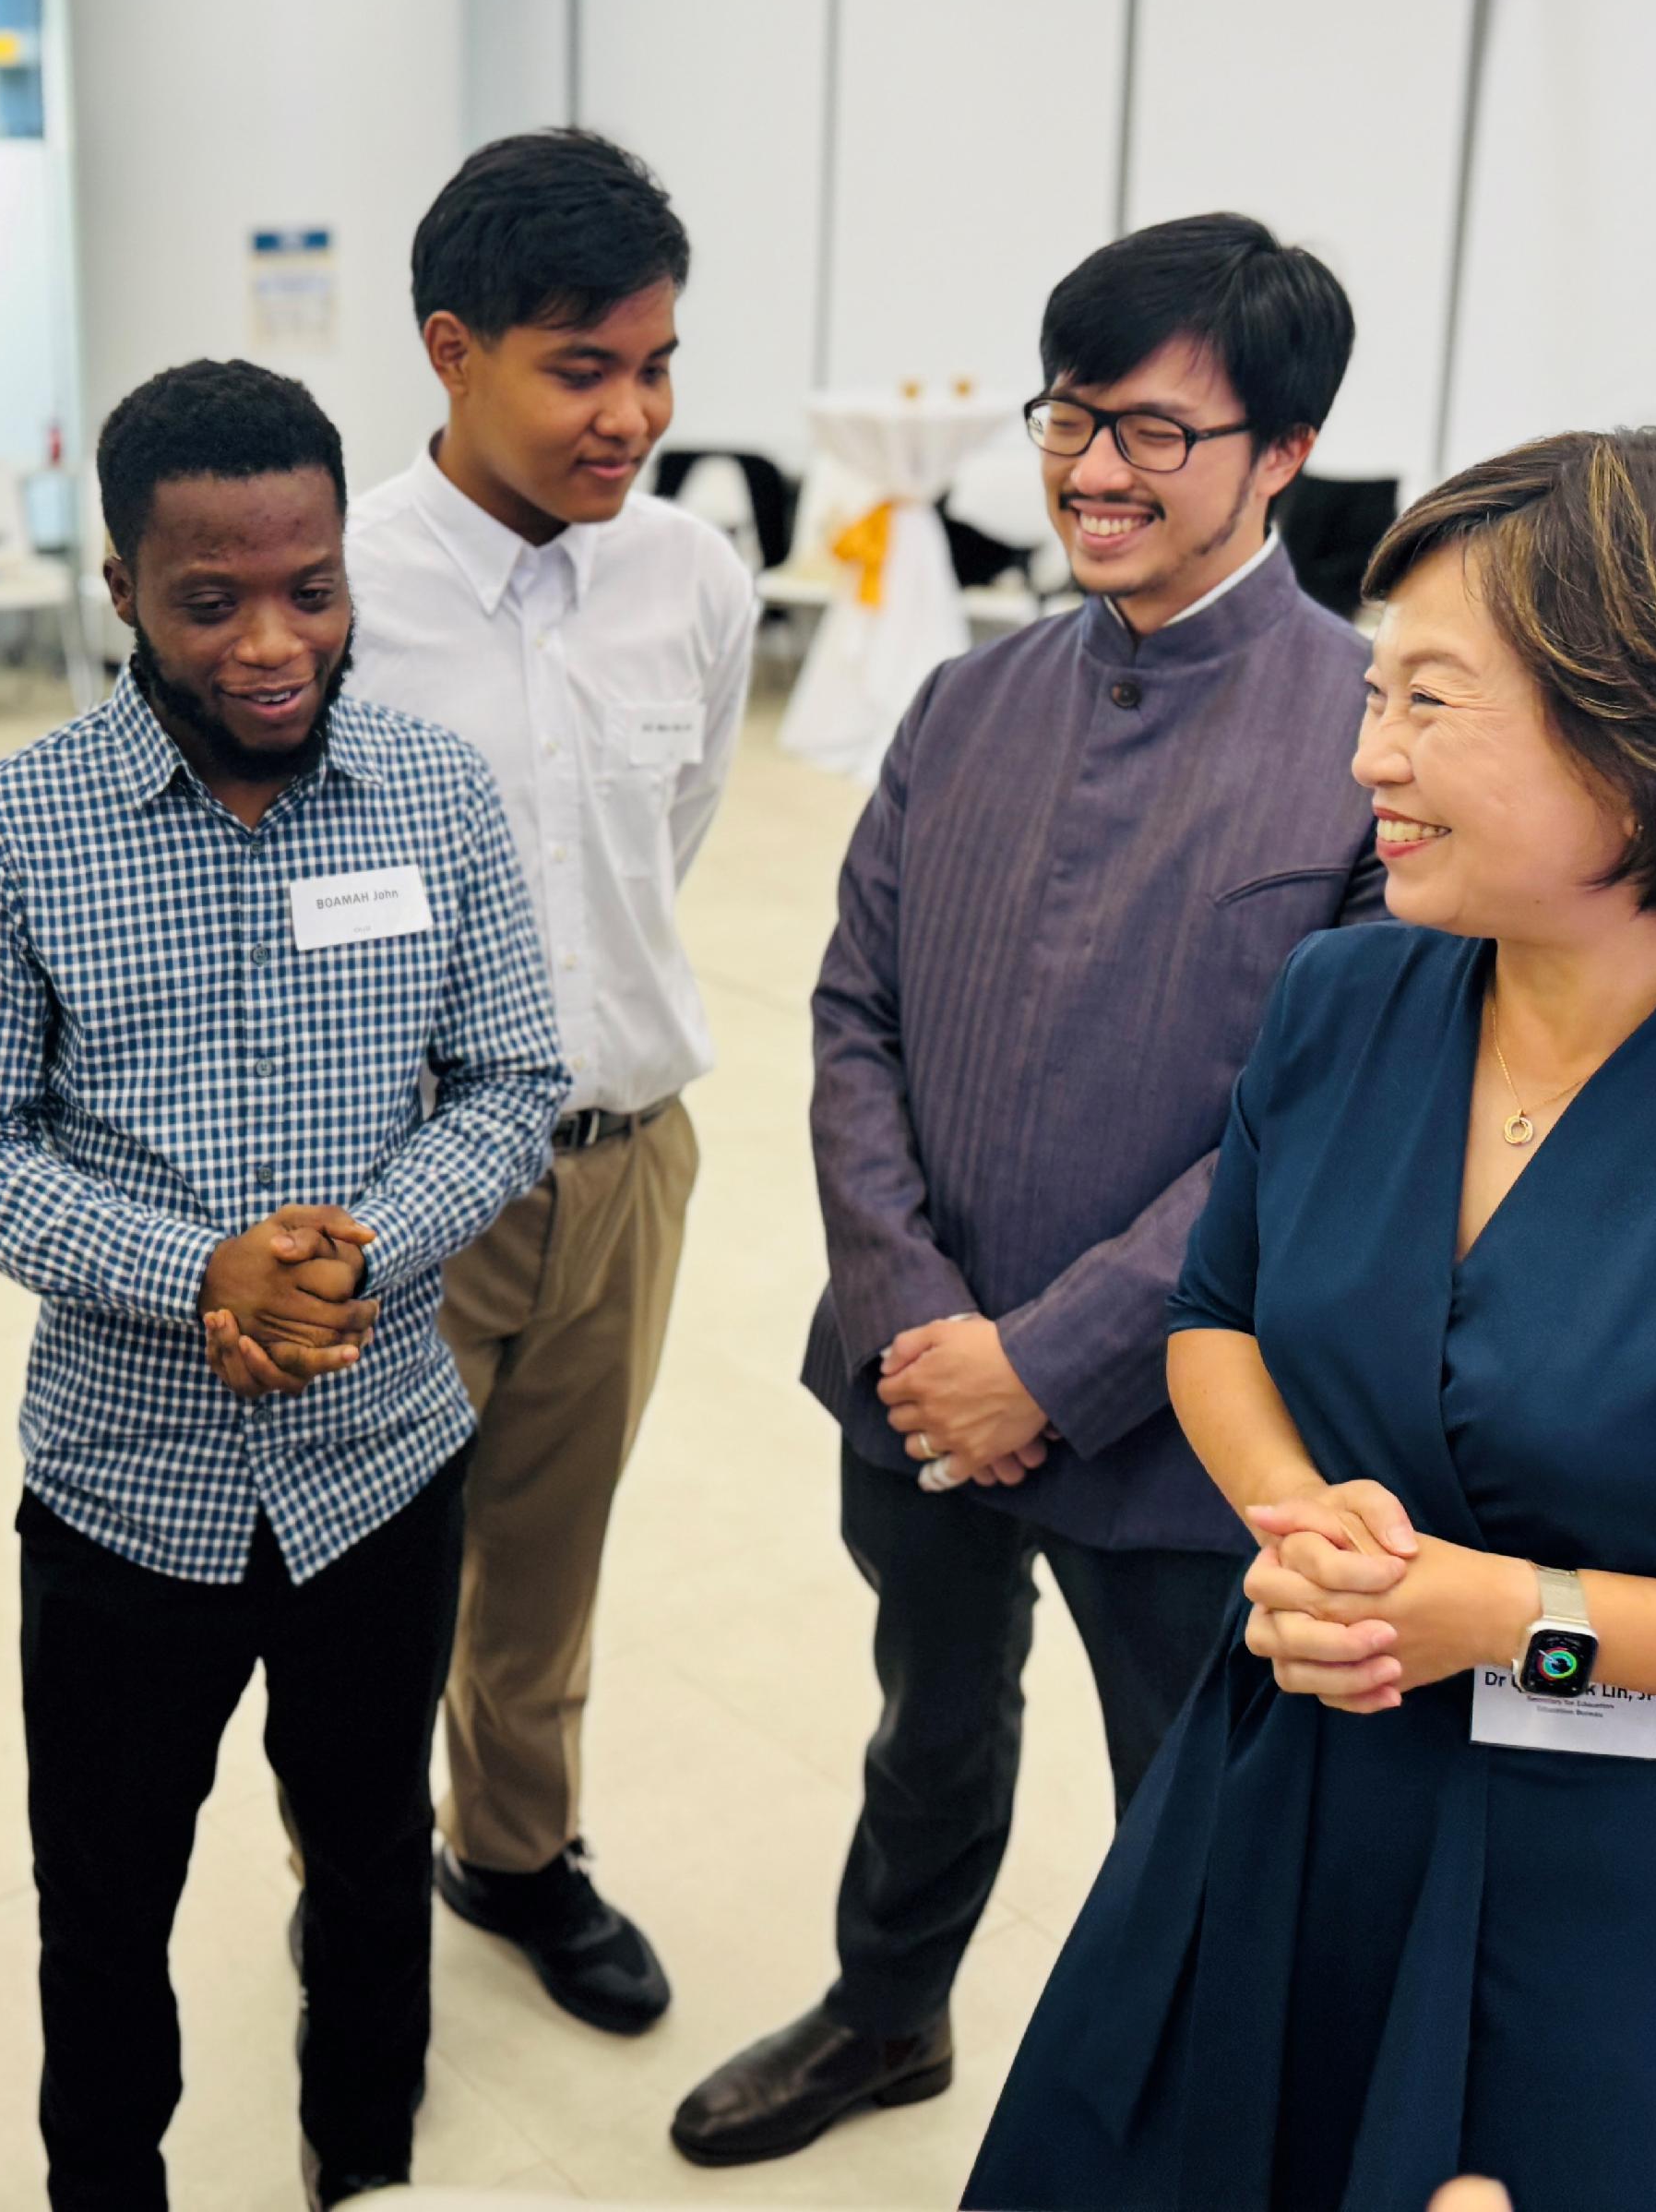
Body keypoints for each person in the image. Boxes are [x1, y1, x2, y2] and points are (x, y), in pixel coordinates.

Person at [970, 428, 1656, 2210]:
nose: (1365, 755)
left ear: (1654, 730)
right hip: (1286, 1768)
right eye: (1376, 692)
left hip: (1604, 1880)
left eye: (1430, 704)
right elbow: (1219, 1321)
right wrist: (1304, 1528)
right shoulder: (1347, 998)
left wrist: (1518, 1621)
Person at [671, 214, 1378, 2168]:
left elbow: (1305, 1134)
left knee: (1194, 1798)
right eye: (1069, 416)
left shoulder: (1364, 743)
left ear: (1280, 454)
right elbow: (847, 1013)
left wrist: (1045, 1367)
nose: (1087, 470)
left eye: (1153, 431)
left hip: (1173, 1426)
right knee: (926, 1722)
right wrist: (915, 1323)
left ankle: (1180, 2123)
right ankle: (886, 2015)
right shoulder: (964, 706)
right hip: (912, 1384)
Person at [0, 359, 568, 2211]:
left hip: (381, 1467)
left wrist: (350, 1251)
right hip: (122, 1494)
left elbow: (516, 1079)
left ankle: (364, 2173)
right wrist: (196, 1271)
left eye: (312, 588)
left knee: (367, 1864)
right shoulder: (15, 832)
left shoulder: (432, 795)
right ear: (118, 588)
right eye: (210, 602)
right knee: (101, 1909)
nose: (272, 643)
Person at [340, 129, 748, 2033]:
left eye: (655, 366)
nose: (630, 413)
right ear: (451, 348)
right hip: (398, 1173)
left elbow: (664, 846)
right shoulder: (329, 591)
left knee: (546, 1563)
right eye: (579, 369)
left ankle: (510, 1852)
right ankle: (349, 1877)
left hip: (624, 1163)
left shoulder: (688, 572)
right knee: (367, 1580)